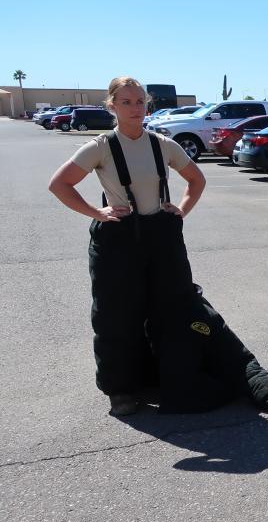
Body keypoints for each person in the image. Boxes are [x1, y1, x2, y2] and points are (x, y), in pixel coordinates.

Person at [46, 77, 206, 416]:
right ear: (112, 106)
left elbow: (196, 180)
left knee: (171, 308)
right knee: (116, 316)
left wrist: (180, 210)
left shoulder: (163, 144)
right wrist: (95, 212)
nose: (135, 109)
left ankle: (169, 377)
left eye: (140, 102)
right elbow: (59, 185)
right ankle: (119, 390)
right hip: (118, 238)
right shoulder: (101, 146)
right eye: (127, 102)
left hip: (161, 237)